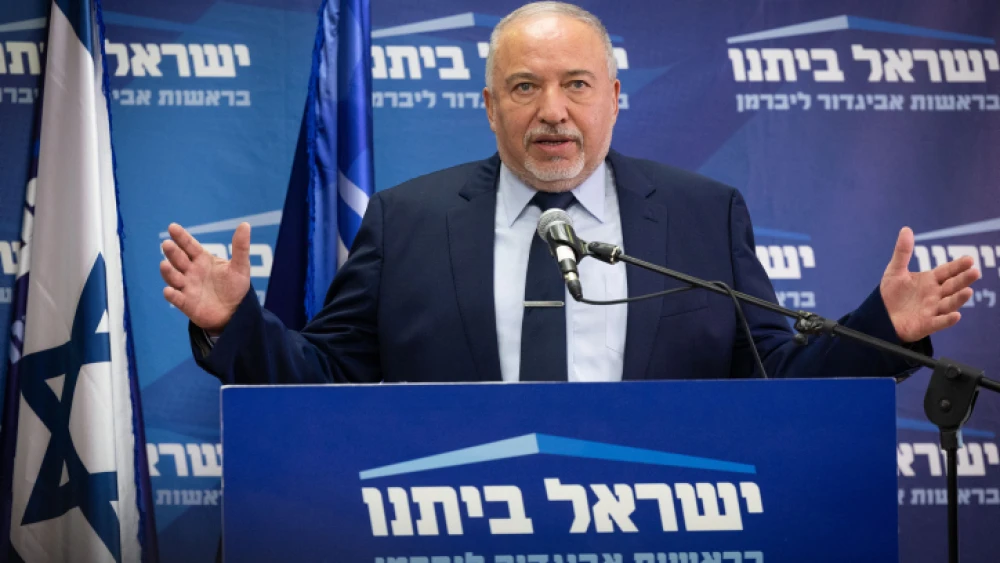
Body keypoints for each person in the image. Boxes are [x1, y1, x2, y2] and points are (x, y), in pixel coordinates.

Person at [160, 2, 979, 385]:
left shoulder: (702, 215)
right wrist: (237, 325)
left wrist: (885, 328)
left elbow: (781, 385)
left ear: (616, 97)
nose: (552, 110)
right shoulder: (406, 222)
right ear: (488, 106)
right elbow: (327, 378)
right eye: (523, 86)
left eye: (576, 84)